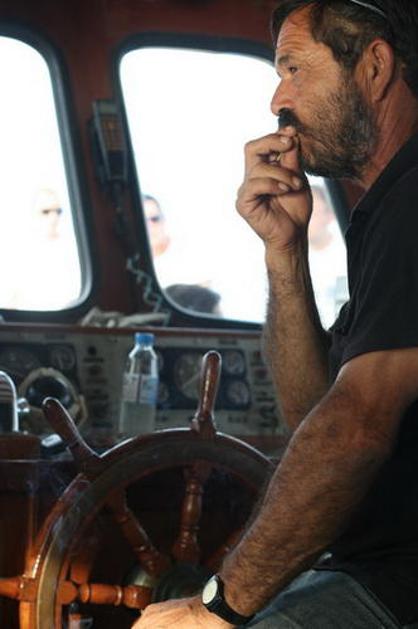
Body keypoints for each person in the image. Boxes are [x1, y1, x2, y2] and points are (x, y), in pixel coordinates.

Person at [134, 1, 418, 627]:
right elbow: (315, 412)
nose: (277, 101)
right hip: (368, 566)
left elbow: (355, 428)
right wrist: (284, 252)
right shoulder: (383, 211)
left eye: (294, 68)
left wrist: (218, 608)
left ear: (374, 66)